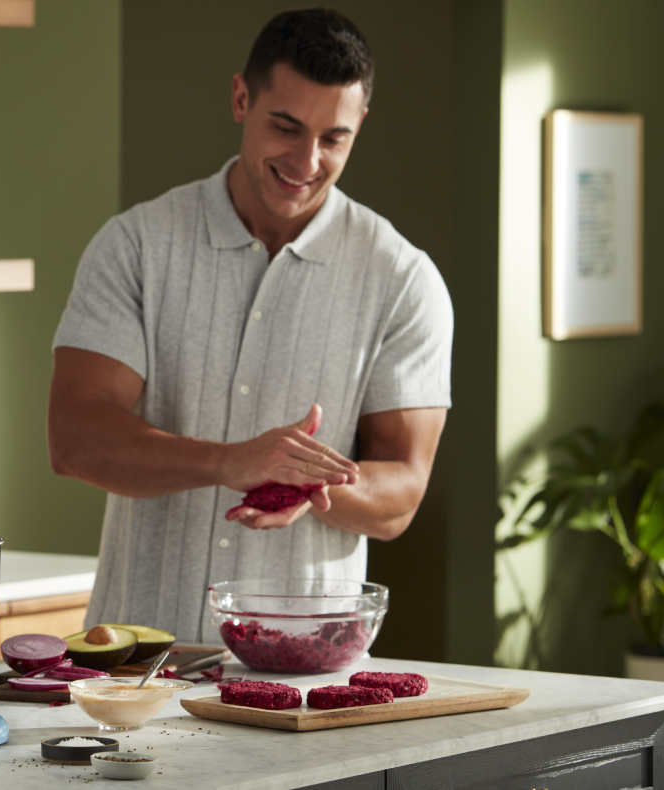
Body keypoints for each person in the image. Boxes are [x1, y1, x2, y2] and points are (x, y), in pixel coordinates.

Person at [48, 8, 453, 643]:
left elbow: (401, 493)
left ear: (360, 126)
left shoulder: (402, 277)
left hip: (304, 667)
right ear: (241, 99)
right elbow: (74, 436)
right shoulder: (136, 246)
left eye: (334, 138)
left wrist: (304, 484)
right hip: (133, 663)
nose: (307, 160)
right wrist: (227, 461)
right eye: (286, 127)